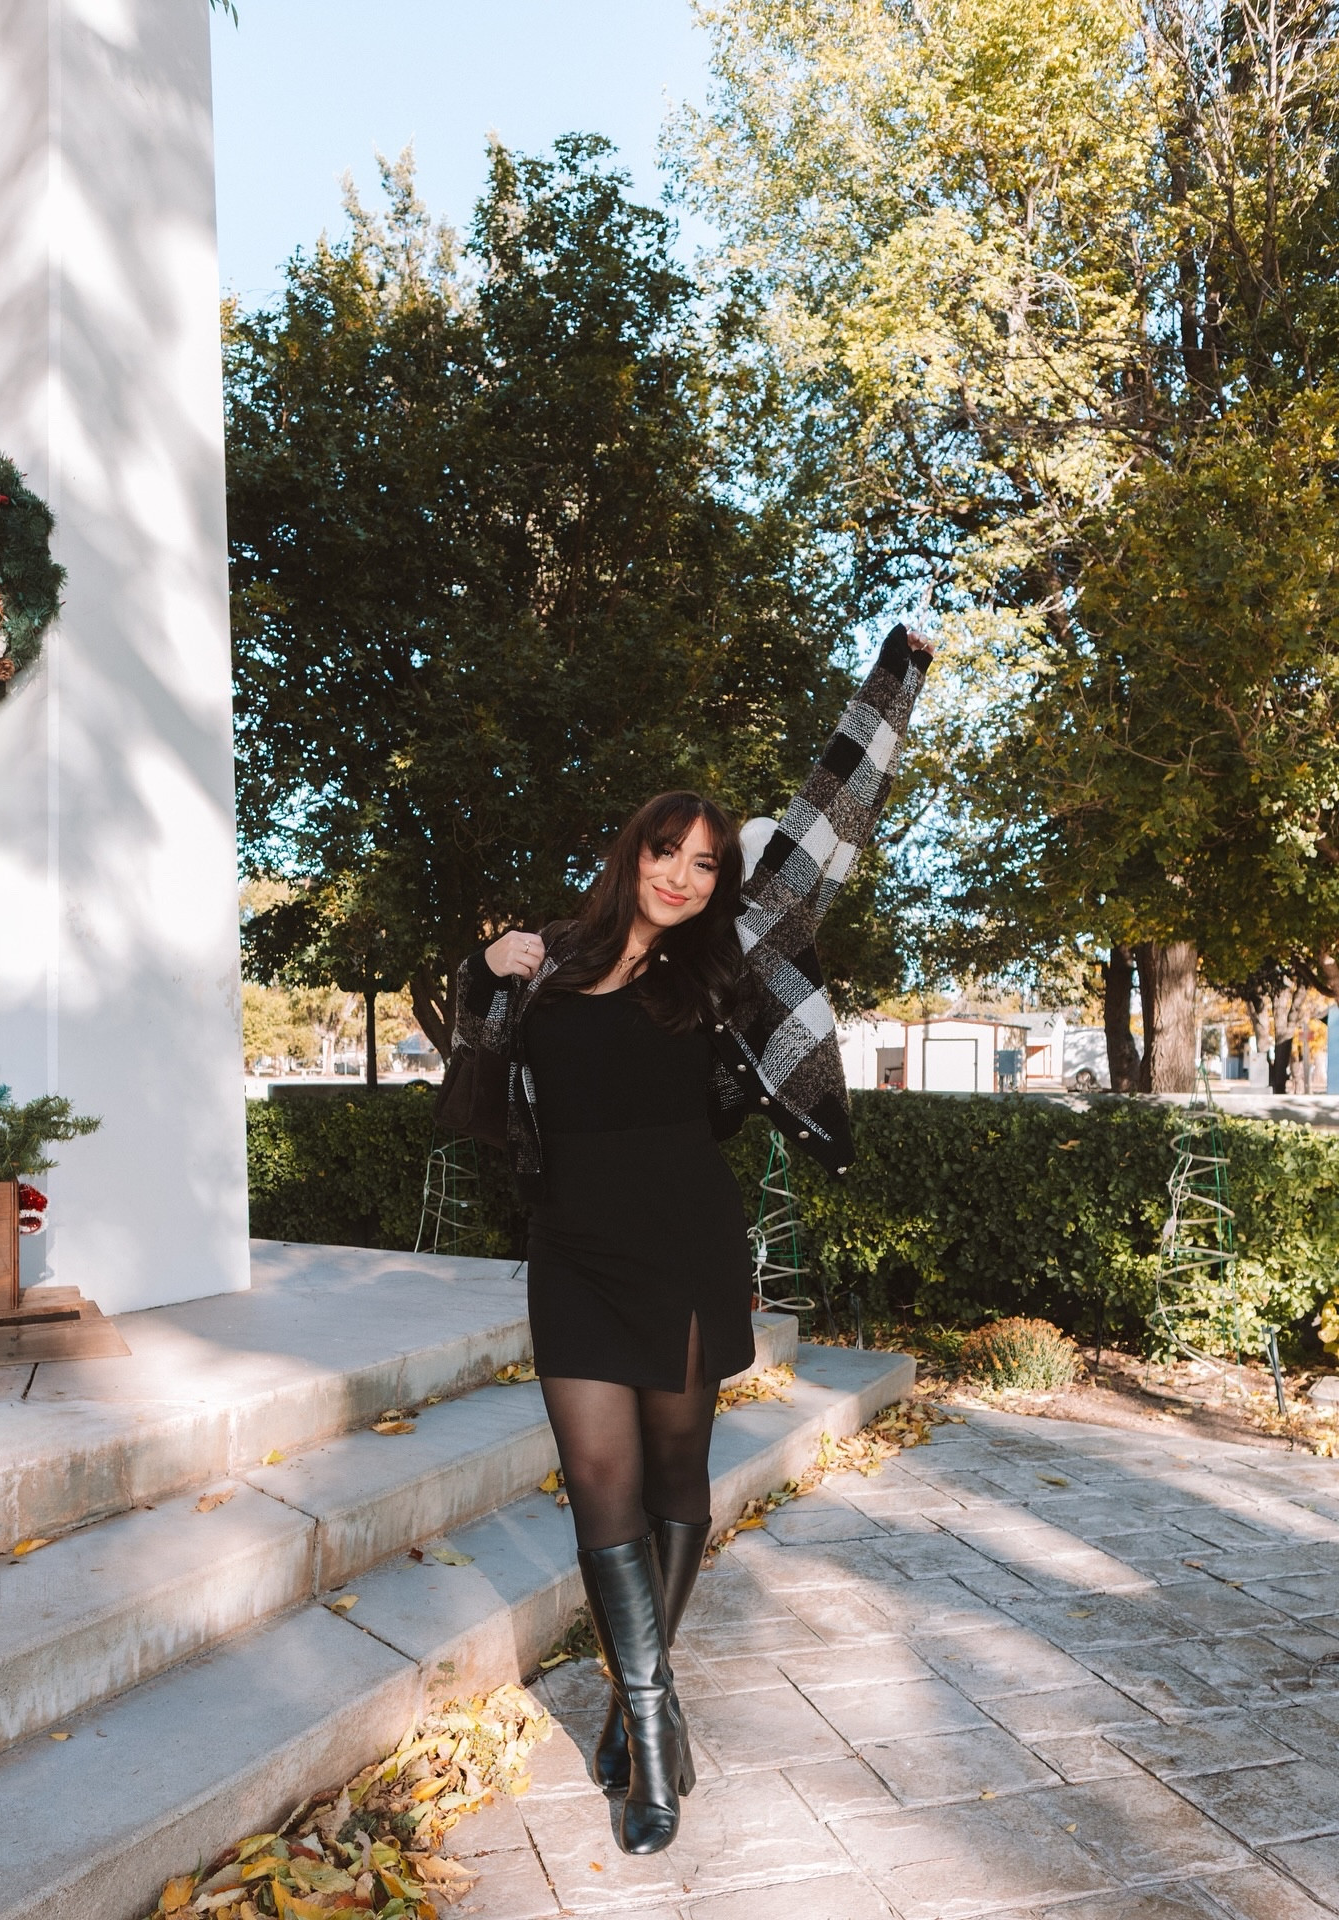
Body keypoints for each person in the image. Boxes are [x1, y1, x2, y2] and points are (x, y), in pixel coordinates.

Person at [448, 624, 932, 1852]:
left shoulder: (727, 960)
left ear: (724, 883)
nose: (682, 876)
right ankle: (656, 1727)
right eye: (667, 853)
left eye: (706, 864)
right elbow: (464, 1081)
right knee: (597, 1483)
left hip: (684, 1247)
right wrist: (476, 964)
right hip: (575, 1253)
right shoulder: (544, 963)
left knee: (674, 1481)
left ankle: (629, 1704)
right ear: (634, 854)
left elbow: (831, 821)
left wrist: (899, 677)